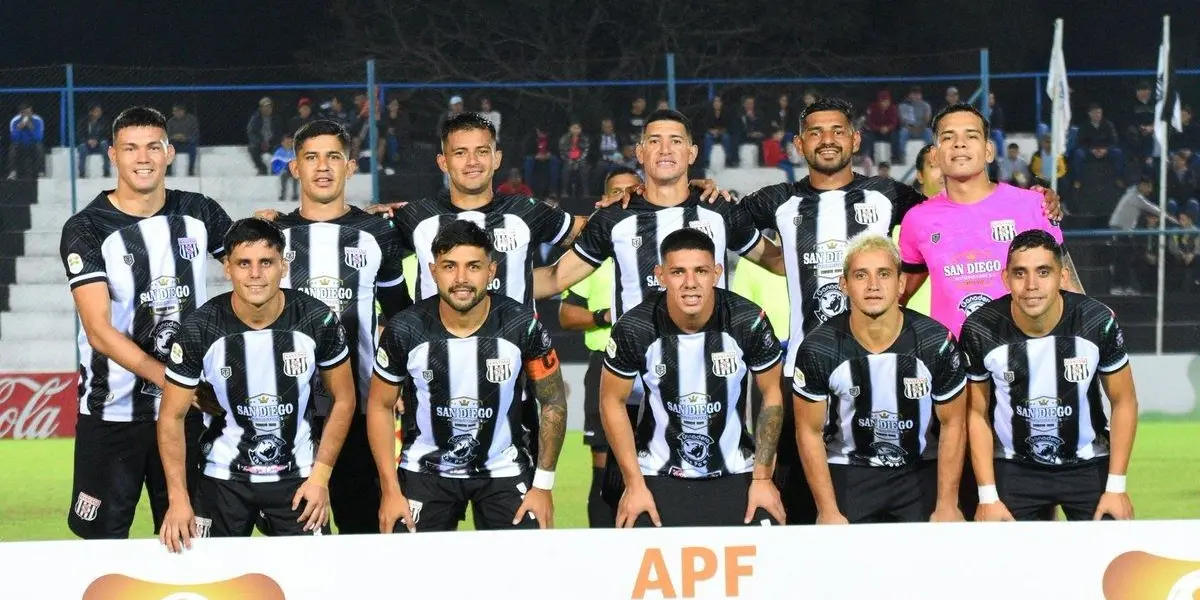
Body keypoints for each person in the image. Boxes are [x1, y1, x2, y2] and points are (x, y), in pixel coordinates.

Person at [732, 99, 1062, 526]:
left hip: (899, 371)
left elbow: (945, 218)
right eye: (815, 132)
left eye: (837, 131)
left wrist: (1039, 193)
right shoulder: (778, 200)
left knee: (939, 493)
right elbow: (721, 220)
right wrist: (698, 191)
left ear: (855, 139)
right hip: (807, 368)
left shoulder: (890, 196)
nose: (827, 140)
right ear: (798, 144)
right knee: (808, 508)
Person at [59, 106, 234, 539]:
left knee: (194, 543)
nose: (143, 158)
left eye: (153, 147)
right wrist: (176, 380)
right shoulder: (87, 228)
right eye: (131, 148)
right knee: (99, 544)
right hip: (113, 413)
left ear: (169, 153)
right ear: (112, 156)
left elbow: (257, 264)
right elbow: (99, 331)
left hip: (188, 415)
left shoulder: (199, 211)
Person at [157, 219, 355, 552]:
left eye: (266, 262)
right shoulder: (200, 328)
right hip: (222, 480)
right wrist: (178, 498)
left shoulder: (316, 319)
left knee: (310, 585)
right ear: (227, 268)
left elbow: (344, 399)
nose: (255, 274)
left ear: (284, 266)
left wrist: (320, 478)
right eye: (243, 264)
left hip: (298, 478)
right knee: (214, 584)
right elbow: (171, 417)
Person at [367, 220, 568, 532]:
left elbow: (553, 400)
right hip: (425, 472)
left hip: (504, 471)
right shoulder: (405, 329)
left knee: (523, 576)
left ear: (491, 271)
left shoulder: (521, 325)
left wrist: (542, 485)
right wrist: (390, 490)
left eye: (473, 266)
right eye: (449, 266)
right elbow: (380, 406)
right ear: (433, 271)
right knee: (411, 577)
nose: (461, 278)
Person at [270, 119, 413, 534]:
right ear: (295, 168)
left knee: (363, 535)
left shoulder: (376, 233)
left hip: (362, 409)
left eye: (334, 157)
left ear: (350, 167)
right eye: (311, 158)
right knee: (299, 540)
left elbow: (400, 314)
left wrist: (398, 383)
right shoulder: (273, 234)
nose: (323, 167)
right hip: (290, 415)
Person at [601, 229, 787, 527]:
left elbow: (773, 395)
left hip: (737, 471)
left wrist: (763, 478)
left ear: (716, 273)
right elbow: (611, 400)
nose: (690, 283)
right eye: (678, 272)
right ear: (661, 276)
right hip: (657, 473)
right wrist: (634, 483)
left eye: (700, 271)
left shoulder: (747, 320)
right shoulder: (636, 326)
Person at [960, 230, 1138, 522]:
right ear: (1005, 278)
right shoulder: (981, 329)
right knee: (1007, 565)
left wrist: (1117, 487)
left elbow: (1125, 401)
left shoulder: (1096, 321)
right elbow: (975, 413)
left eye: (1043, 272)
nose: (1031, 285)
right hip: (1015, 467)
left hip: (1088, 464)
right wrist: (988, 496)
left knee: (1107, 558)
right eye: (1020, 273)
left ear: (1062, 276)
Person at [793, 233, 967, 523]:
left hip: (919, 469)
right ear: (844, 285)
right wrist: (827, 510)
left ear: (900, 284)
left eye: (883, 274)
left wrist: (947, 503)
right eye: (861, 275)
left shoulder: (936, 342)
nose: (873, 285)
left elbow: (953, 424)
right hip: (849, 471)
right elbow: (808, 433)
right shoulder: (818, 347)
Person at [899, 103, 1082, 340]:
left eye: (971, 135)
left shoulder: (1034, 205)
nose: (959, 143)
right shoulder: (917, 219)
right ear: (935, 154)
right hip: (957, 370)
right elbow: (897, 298)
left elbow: (1070, 286)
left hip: (1024, 361)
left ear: (989, 151)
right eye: (948, 137)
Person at [557, 168, 634, 528]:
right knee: (604, 470)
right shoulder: (593, 254)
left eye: (629, 191)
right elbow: (566, 315)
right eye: (615, 191)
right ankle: (603, 552)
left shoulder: (659, 245)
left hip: (656, 366)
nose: (622, 198)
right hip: (605, 366)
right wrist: (606, 315)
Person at [77, 103, 111, 178]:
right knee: (82, 147)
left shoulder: (103, 121)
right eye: (96, 111)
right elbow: (80, 134)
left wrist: (97, 141)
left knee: (105, 144)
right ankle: (82, 173)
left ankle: (106, 171)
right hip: (87, 145)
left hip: (99, 144)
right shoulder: (84, 122)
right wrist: (88, 141)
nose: (99, 112)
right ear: (91, 112)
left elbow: (107, 134)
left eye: (99, 111)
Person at [270, 133, 298, 201]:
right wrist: (278, 170)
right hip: (284, 170)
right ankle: (283, 194)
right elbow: (275, 163)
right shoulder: (279, 152)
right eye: (286, 142)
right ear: (282, 143)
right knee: (283, 177)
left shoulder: (295, 152)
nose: (288, 144)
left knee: (295, 177)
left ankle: (295, 194)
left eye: (290, 142)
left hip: (293, 170)